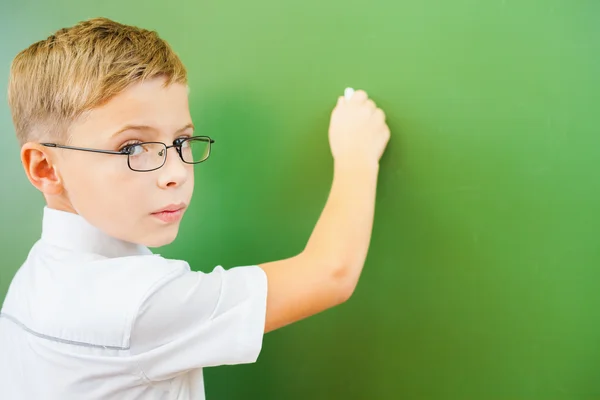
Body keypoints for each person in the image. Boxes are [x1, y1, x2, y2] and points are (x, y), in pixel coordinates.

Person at [0, 17, 390, 400]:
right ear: (46, 168)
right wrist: (357, 155)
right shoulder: (137, 303)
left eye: (182, 141)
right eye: (132, 147)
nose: (176, 173)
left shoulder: (33, 280)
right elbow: (331, 274)